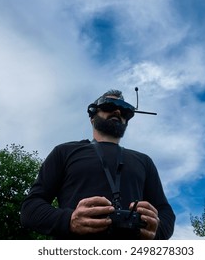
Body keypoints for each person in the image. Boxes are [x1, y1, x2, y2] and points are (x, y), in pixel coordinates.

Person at [20, 89, 175, 239]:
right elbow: (30, 208)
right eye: (109, 106)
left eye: (124, 110)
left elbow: (165, 212)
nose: (118, 112)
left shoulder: (144, 161)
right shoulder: (64, 152)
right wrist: (69, 220)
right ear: (92, 117)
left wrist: (156, 230)